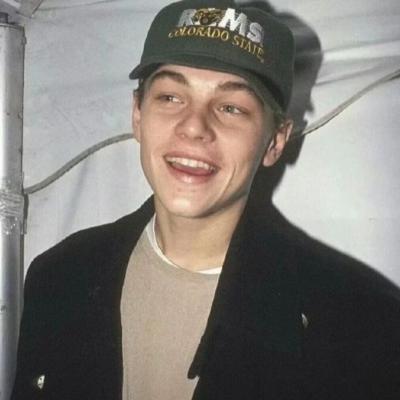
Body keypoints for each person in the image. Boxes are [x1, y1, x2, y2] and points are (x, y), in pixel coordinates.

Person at [11, 1, 400, 399]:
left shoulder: (358, 323)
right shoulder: (59, 277)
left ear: (275, 141)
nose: (194, 126)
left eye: (231, 107)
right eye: (170, 97)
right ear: (137, 115)